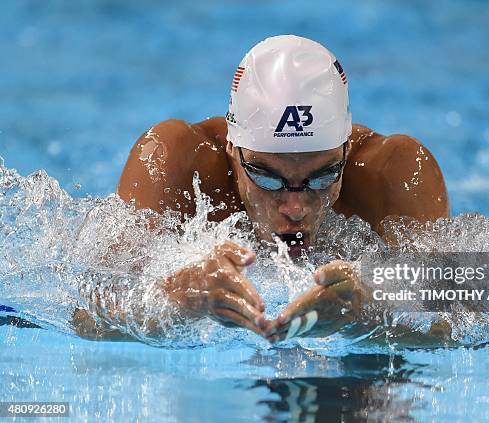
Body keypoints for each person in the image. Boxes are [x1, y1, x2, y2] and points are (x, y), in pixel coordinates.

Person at [77, 35, 450, 343]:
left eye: (322, 177)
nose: (295, 207)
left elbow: (473, 308)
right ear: (231, 148)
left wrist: (369, 314)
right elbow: (89, 313)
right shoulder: (174, 161)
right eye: (268, 178)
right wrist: (182, 293)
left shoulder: (395, 173)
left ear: (345, 151)